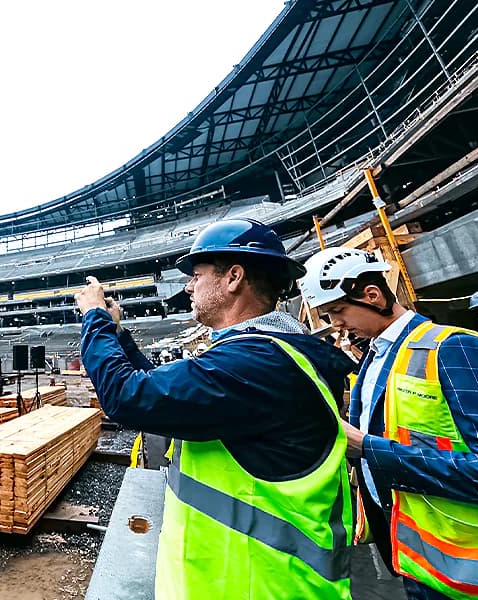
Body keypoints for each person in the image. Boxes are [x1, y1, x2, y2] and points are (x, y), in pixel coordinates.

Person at [75, 218, 356, 599]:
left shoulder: (255, 363)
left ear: (234, 277)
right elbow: (162, 390)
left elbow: (127, 395)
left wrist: (93, 318)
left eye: (196, 274)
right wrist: (118, 334)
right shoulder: (264, 355)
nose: (188, 286)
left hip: (262, 586)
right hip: (242, 580)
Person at [298, 247, 478, 600]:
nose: (335, 324)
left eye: (338, 311)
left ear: (373, 295)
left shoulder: (457, 350)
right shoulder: (377, 358)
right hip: (424, 567)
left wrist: (368, 448)